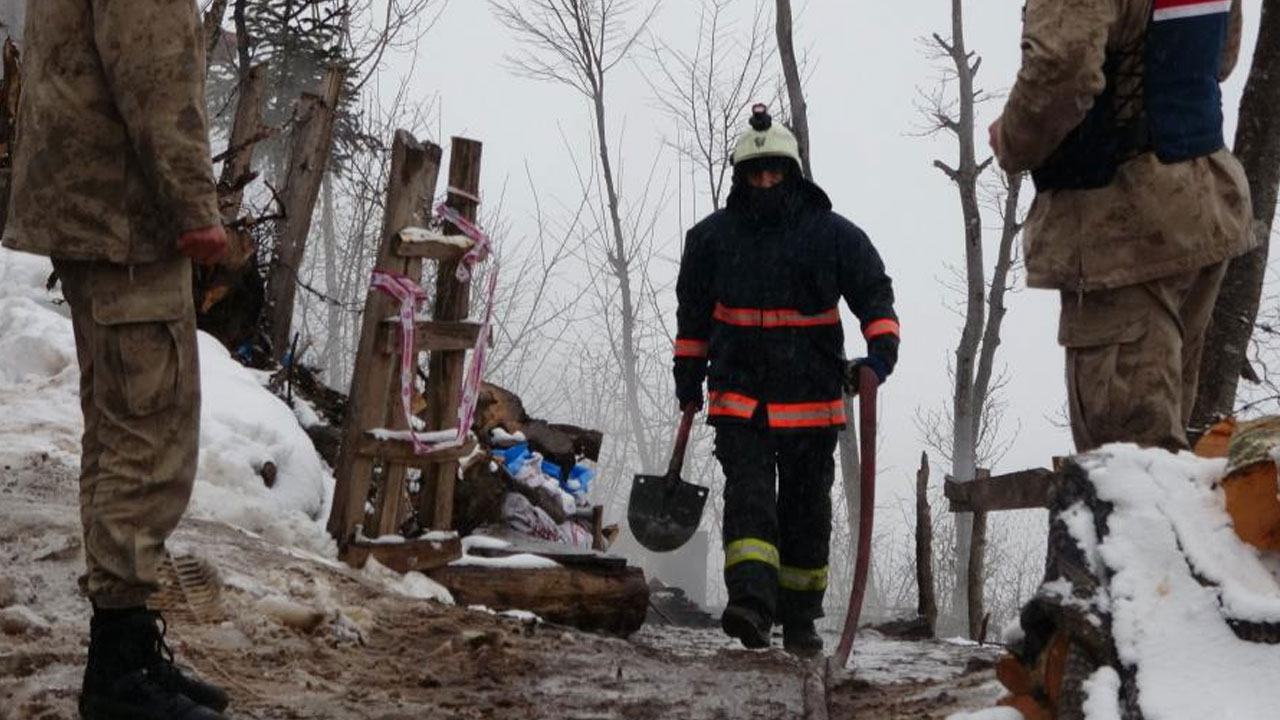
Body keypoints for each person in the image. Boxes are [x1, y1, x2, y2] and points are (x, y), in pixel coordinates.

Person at [2, 2, 231, 719]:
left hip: (90, 201)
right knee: (148, 431)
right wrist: (193, 202)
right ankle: (119, 676)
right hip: (127, 215)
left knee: (118, 427)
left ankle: (123, 649)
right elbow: (154, 65)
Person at [673, 104, 899, 655]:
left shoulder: (834, 236)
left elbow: (874, 294)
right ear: (740, 177)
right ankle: (751, 605)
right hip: (740, 402)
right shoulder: (710, 240)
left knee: (806, 515)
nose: (765, 182)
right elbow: (692, 318)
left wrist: (880, 353)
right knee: (750, 503)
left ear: (793, 172)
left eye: (774, 171)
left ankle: (800, 621)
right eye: (755, 173)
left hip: (811, 405)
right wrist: (687, 377)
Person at [990, 0, 1253, 453]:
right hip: (1199, 207)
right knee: (1165, 461)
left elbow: (1064, 64)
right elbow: (1221, 58)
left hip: (1126, 229)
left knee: (1129, 470)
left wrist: (1013, 140)